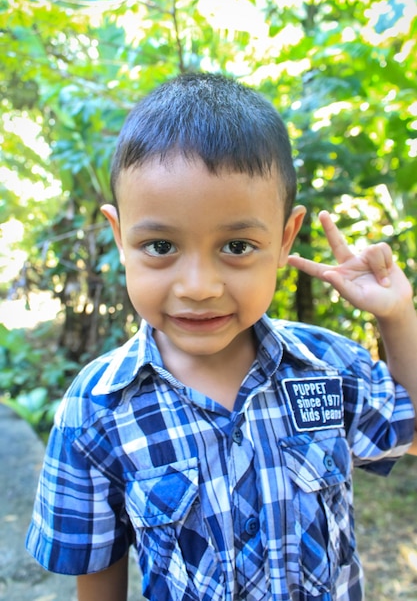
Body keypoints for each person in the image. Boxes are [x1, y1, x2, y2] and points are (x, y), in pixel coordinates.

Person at [26, 73, 417, 601]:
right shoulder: (96, 409)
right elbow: (97, 576)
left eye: (236, 246)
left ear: (284, 240)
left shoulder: (328, 368)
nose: (200, 287)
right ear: (121, 238)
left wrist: (398, 316)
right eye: (161, 246)